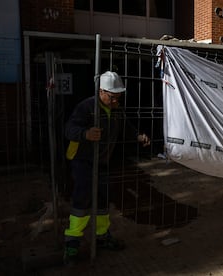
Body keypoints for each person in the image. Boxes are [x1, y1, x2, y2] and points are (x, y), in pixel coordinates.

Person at [63, 71, 150, 265]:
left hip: (103, 161)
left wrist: (138, 136)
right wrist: (85, 133)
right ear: (101, 91)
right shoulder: (86, 107)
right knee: (83, 198)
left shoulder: (117, 110)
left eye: (118, 97)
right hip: (82, 160)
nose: (115, 101)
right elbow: (69, 129)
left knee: (103, 197)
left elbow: (126, 128)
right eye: (112, 97)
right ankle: (72, 241)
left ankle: (102, 236)